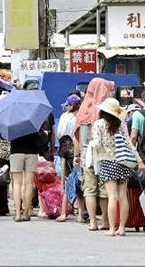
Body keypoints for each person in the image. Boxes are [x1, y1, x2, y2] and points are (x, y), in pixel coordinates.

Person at [92, 98, 145, 237]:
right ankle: (121, 228)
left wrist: (91, 144)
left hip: (107, 162)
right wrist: (139, 161)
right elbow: (129, 144)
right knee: (123, 197)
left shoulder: (98, 124)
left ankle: (111, 228)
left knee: (112, 197)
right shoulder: (121, 124)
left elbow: (97, 144)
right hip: (123, 162)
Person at [74, 78, 114, 231]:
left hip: (87, 157)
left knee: (89, 189)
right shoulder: (105, 111)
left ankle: (92, 222)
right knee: (104, 190)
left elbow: (77, 136)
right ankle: (105, 221)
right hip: (104, 156)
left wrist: (78, 155)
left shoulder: (84, 109)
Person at [56, 94, 81, 222]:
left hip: (65, 148)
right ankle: (80, 212)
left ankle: (64, 212)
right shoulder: (81, 117)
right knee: (80, 182)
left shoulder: (64, 117)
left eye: (69, 104)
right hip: (78, 150)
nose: (67, 106)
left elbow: (59, 134)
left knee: (67, 180)